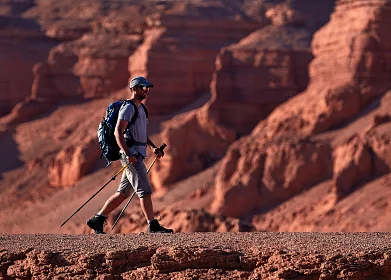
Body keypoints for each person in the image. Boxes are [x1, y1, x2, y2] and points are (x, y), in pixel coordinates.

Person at [86, 76, 173, 234]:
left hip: (137, 153)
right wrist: (127, 153)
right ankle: (152, 225)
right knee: (144, 190)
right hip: (131, 155)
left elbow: (141, 135)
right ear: (133, 89)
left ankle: (97, 219)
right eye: (142, 88)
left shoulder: (141, 109)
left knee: (123, 193)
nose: (145, 90)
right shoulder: (128, 107)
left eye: (147, 88)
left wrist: (153, 148)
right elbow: (118, 131)